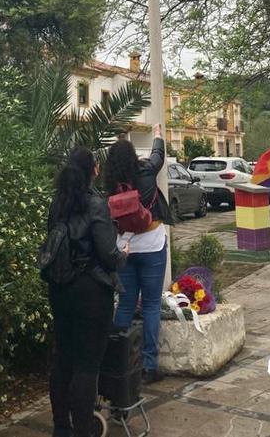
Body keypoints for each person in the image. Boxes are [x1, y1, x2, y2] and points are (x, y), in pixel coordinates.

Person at [46, 146, 129, 437]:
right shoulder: (95, 205)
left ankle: (61, 427)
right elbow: (108, 254)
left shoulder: (58, 202)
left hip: (60, 289)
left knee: (63, 359)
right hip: (91, 293)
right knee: (87, 365)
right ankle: (84, 430)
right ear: (92, 170)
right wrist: (124, 253)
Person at [104, 123, 173, 384]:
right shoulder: (145, 172)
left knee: (125, 304)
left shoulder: (111, 184)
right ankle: (149, 366)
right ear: (133, 157)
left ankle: (121, 362)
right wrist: (157, 135)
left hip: (125, 249)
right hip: (153, 244)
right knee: (152, 305)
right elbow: (158, 156)